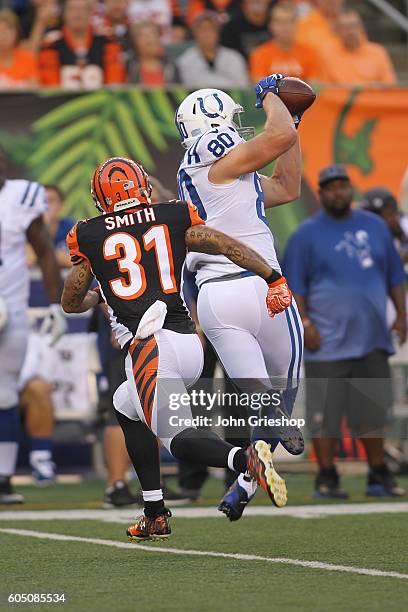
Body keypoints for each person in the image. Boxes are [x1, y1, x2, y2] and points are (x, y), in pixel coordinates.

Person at [62, 156, 290, 540]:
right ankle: (154, 511)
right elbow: (222, 243)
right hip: (188, 342)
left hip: (151, 347)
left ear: (101, 198)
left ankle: (244, 460)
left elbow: (71, 300)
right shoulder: (174, 214)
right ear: (143, 187)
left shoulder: (88, 233)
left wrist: (98, 294)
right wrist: (272, 276)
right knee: (125, 405)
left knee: (178, 438)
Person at [175, 75, 305, 521]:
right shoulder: (211, 151)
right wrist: (272, 96)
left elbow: (287, 186)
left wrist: (294, 124)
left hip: (218, 298)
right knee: (280, 397)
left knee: (261, 398)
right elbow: (277, 134)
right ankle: (268, 432)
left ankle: (244, 485)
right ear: (215, 121)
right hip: (261, 285)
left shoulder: (222, 175)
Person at [283, 164, 406, 498]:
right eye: (330, 187)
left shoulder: (375, 228)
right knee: (325, 416)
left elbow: (395, 275)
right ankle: (326, 476)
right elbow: (294, 287)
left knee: (373, 414)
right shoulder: (304, 235)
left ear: (350, 189)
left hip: (372, 339)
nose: (338, 192)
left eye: (343, 186)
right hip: (326, 343)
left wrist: (401, 316)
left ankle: (378, 474)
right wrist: (305, 324)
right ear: (321, 193)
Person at [0, 147, 66, 504]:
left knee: (6, 392)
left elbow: (42, 250)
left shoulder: (21, 196)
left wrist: (56, 304)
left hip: (10, 310)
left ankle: (4, 478)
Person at [39, 0, 126, 89]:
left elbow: (115, 83)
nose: (78, 14)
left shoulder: (107, 40)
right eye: (72, 9)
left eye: (83, 9)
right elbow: (50, 86)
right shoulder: (51, 44)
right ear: (64, 13)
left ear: (91, 12)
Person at [249, 2, 322, 84]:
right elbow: (261, 88)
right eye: (279, 22)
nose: (285, 26)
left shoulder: (310, 54)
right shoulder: (259, 54)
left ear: (296, 24)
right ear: (271, 25)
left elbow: (313, 88)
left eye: (289, 21)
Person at [320, 9, 397, 85]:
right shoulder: (327, 55)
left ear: (361, 28)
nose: (350, 32)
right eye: (345, 28)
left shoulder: (378, 52)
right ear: (337, 31)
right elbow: (326, 89)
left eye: (353, 26)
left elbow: (389, 86)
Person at [177, 12, 249, 88]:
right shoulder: (184, 60)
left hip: (230, 99)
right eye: (202, 29)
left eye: (210, 28)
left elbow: (243, 89)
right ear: (194, 33)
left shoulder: (234, 58)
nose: (206, 33)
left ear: (218, 32)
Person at [127, 21, 179, 86]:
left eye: (155, 34)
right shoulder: (128, 66)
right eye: (145, 36)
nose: (152, 39)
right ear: (135, 42)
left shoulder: (171, 65)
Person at [0, 8, 38, 89]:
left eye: (8, 29)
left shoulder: (28, 59)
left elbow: (35, 93)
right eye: (0, 30)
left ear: (17, 33)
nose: (4, 34)